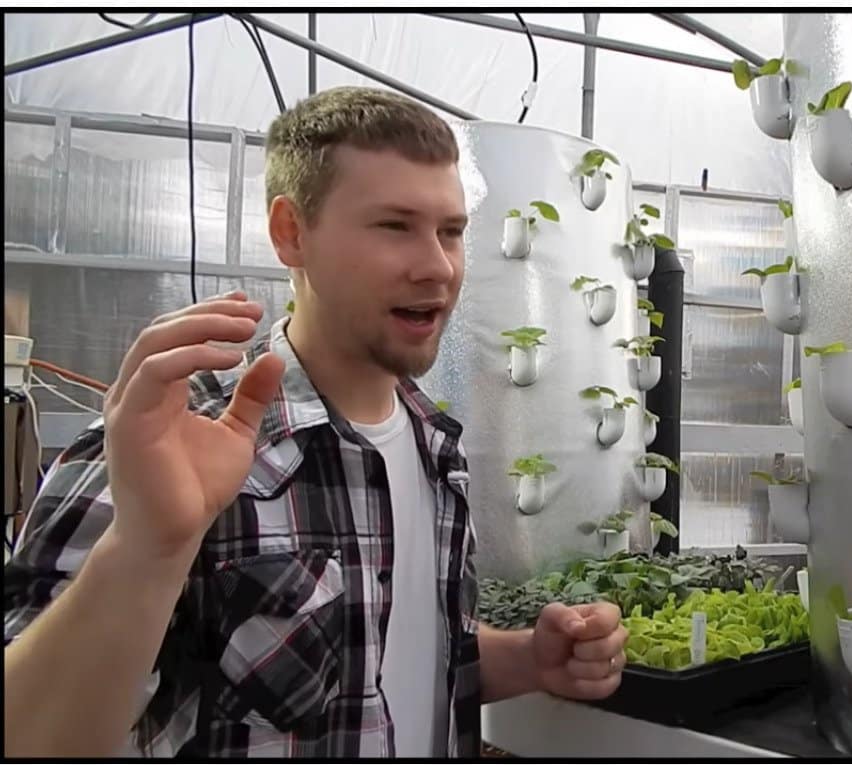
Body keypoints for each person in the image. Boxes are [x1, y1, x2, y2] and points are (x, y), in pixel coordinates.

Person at [3, 86, 628, 758]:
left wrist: (533, 658)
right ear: (291, 233)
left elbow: (390, 656)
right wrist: (143, 550)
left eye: (451, 230)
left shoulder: (434, 448)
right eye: (395, 226)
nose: (439, 266)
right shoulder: (175, 449)